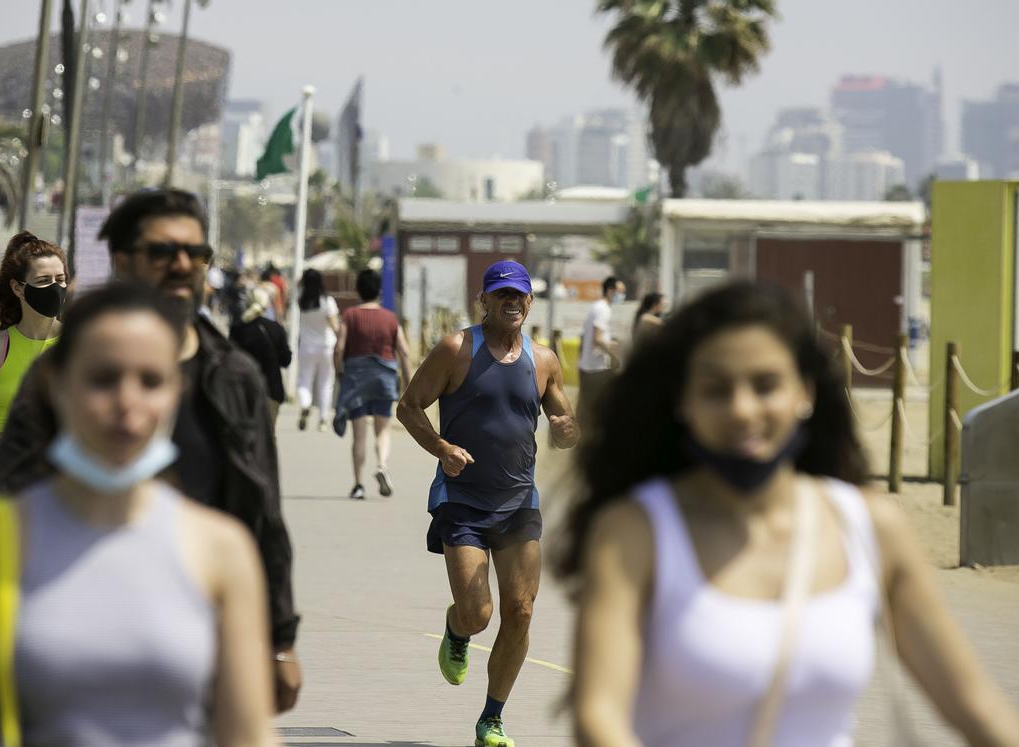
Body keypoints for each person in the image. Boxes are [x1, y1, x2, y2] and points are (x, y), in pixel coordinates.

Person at [561, 282, 1019, 747]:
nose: (742, 410)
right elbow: (598, 717)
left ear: (806, 391)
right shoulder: (634, 532)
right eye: (716, 389)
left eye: (765, 385)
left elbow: (976, 706)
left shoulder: (868, 526)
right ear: (684, 400)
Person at [0, 283, 278, 747]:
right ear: (58, 386)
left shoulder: (221, 549)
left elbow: (247, 733)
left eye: (151, 380)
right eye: (102, 378)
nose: (127, 403)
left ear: (177, 392)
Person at [0, 189, 302, 712]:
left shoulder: (235, 375)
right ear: (123, 261)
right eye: (163, 252)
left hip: (202, 640)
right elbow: (7, 498)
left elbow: (263, 512)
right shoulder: (62, 374)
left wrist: (281, 640)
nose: (182, 265)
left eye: (196, 254)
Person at [396, 259, 578, 747]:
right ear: (485, 302)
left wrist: (566, 430)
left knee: (520, 611)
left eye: (519, 294)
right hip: (463, 499)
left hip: (519, 501)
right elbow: (408, 406)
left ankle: (491, 720)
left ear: (530, 301)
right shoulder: (456, 349)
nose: (511, 301)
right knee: (478, 612)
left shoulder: (544, 361)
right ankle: (458, 631)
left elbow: (565, 430)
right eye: (501, 295)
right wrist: (442, 449)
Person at [0, 234, 66, 442]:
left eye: (60, 280)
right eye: (44, 280)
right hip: (8, 467)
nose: (55, 288)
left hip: (62, 470)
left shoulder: (80, 343)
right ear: (18, 288)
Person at [333, 269, 412, 500]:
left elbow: (339, 348)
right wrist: (408, 384)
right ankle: (382, 466)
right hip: (384, 378)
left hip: (356, 378)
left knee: (359, 435)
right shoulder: (390, 318)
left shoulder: (350, 315)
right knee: (383, 430)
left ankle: (358, 485)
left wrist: (338, 371)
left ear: (358, 290)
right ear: (378, 291)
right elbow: (405, 352)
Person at [230, 287, 292, 425]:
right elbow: (286, 360)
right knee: (268, 438)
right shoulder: (276, 328)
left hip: (244, 391)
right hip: (271, 390)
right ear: (266, 305)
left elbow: (230, 359)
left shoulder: (238, 329)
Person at [577, 276, 625, 429]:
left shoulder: (598, 307)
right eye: (620, 292)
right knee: (594, 410)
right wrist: (615, 357)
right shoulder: (602, 309)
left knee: (586, 408)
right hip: (595, 368)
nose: (622, 295)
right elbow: (597, 339)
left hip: (590, 365)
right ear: (610, 291)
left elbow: (588, 337)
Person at [295, 268, 340, 432]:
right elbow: (335, 326)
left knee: (304, 380)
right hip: (327, 346)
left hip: (307, 347)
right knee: (326, 383)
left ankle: (306, 404)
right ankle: (323, 419)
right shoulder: (327, 301)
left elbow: (297, 285)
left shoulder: (300, 299)